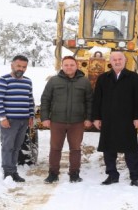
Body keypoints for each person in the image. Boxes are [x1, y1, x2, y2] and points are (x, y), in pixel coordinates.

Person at [92, 51, 138, 187]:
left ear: (125, 60)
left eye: (119, 59)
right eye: (114, 59)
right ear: (110, 61)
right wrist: (96, 117)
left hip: (127, 120)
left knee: (131, 150)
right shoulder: (103, 78)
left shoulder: (134, 77)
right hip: (108, 119)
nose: (117, 61)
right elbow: (97, 99)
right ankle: (112, 175)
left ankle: (135, 176)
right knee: (108, 149)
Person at [40, 56, 93, 184]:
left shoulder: (84, 82)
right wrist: (45, 117)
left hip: (77, 122)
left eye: (72, 65)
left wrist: (88, 118)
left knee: (75, 149)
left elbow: (90, 101)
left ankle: (74, 173)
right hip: (57, 121)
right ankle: (53, 174)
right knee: (55, 148)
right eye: (66, 65)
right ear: (62, 66)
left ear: (77, 66)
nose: (69, 67)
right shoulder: (53, 81)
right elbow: (45, 99)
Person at [0, 55, 34, 182]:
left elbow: (30, 100)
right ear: (12, 65)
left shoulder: (28, 81)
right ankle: (8, 172)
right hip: (9, 121)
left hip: (24, 120)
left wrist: (31, 116)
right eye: (18, 66)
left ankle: (13, 171)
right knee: (8, 147)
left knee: (17, 147)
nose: (21, 69)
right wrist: (2, 118)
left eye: (24, 67)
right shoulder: (3, 80)